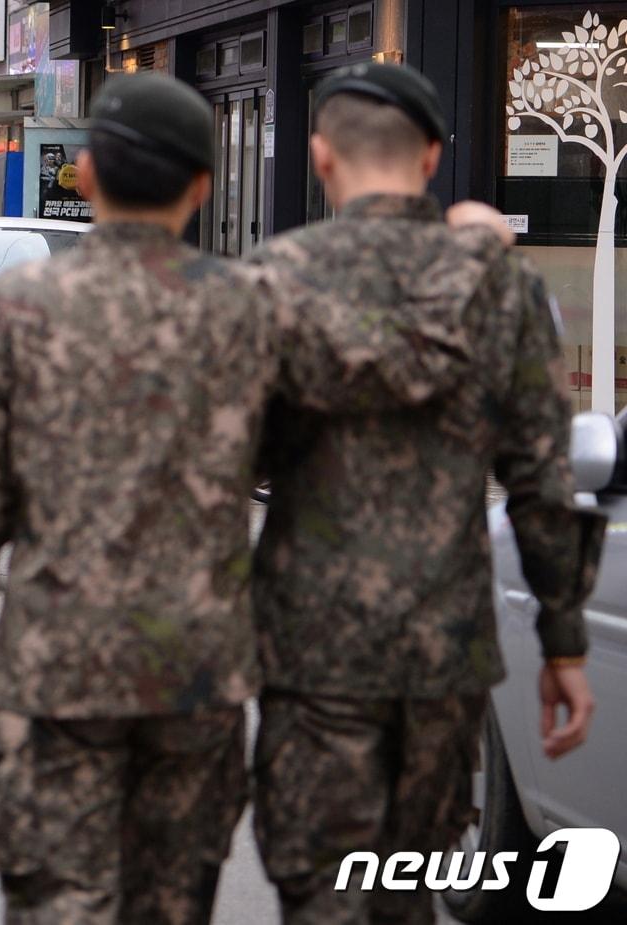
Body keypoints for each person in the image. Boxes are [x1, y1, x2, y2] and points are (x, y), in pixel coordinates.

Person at [0, 72, 513, 925]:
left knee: (57, 896)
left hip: (57, 662)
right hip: (199, 672)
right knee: (174, 900)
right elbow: (400, 365)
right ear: (204, 186)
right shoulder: (250, 305)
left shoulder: (18, 307)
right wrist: (477, 253)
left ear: (84, 176)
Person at [247, 63, 606, 925]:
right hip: (441, 647)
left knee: (321, 883)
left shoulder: (272, 279)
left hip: (308, 643)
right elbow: (543, 477)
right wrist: (562, 642)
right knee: (407, 880)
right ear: (435, 156)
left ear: (322, 157)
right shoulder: (501, 288)